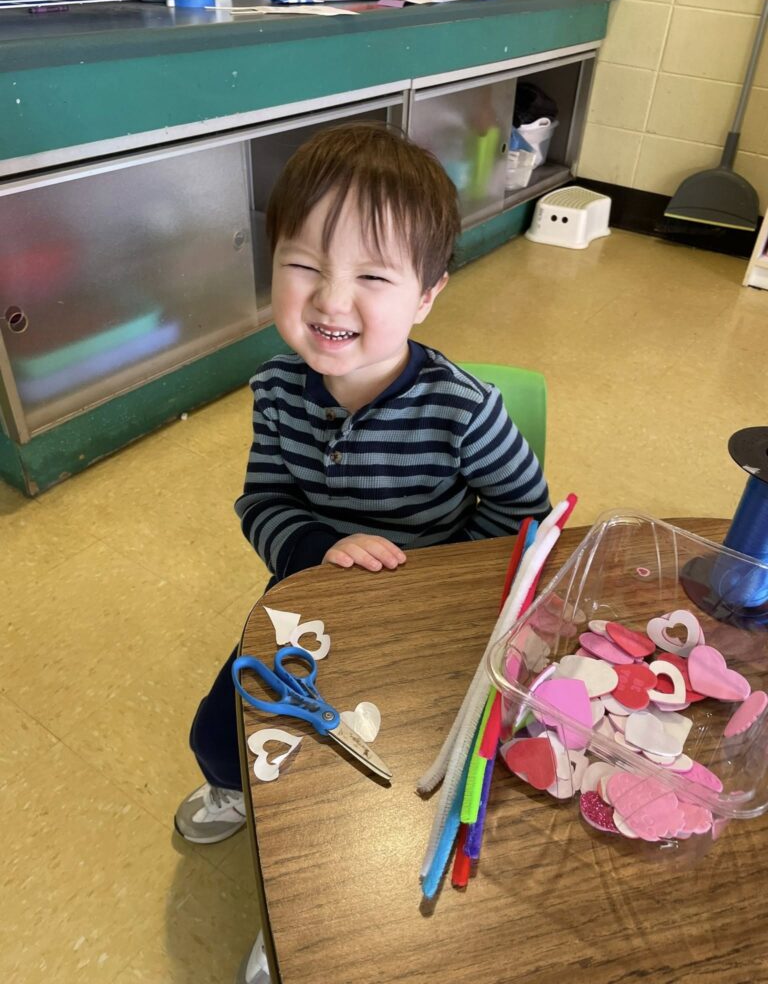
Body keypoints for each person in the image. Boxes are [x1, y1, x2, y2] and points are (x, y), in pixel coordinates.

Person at [174, 122, 550, 975]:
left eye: (372, 277)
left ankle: (310, 922)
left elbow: (524, 516)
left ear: (426, 295)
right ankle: (241, 803)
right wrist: (321, 546)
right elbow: (261, 501)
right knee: (226, 737)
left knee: (381, 785)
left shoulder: (465, 409)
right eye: (303, 265)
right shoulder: (276, 390)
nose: (330, 301)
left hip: (430, 618)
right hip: (312, 598)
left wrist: (434, 585)